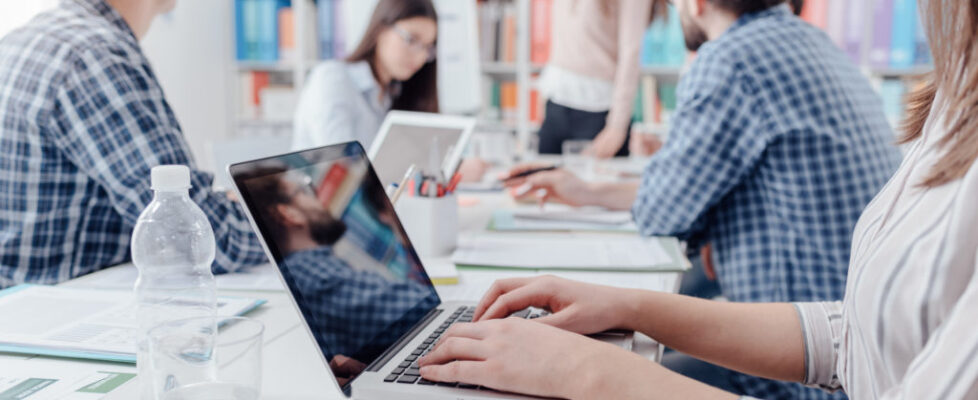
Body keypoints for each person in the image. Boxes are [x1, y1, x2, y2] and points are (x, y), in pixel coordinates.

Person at [418, 1, 978, 397]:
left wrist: (589, 374)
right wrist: (627, 304)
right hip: (824, 346)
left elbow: (665, 209)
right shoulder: (931, 88)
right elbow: (851, 338)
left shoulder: (730, 54)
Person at [0, 0, 268, 288]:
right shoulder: (94, 57)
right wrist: (296, 216)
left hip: (26, 301)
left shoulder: (27, 38)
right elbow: (195, 238)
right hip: (55, 309)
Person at [239, 162, 439, 383]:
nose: (319, 198)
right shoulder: (310, 272)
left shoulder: (317, 265)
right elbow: (421, 308)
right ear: (288, 213)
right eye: (305, 191)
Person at [291, 0, 438, 151]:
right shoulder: (333, 78)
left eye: (427, 47)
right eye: (411, 40)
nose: (420, 56)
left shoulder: (392, 95)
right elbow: (340, 161)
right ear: (381, 29)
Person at [535, 0, 657, 158]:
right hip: (555, 103)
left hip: (599, 113)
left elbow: (631, 54)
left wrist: (617, 127)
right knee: (543, 180)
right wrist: (544, 92)